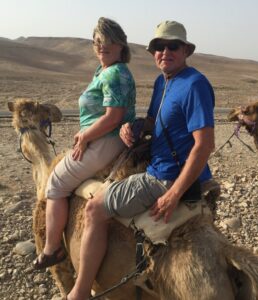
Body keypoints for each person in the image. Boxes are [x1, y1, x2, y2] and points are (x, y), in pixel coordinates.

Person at [67, 20, 215, 300]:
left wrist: (173, 193)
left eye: (173, 46)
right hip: (160, 166)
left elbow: (204, 145)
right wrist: (134, 127)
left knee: (94, 209)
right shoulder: (164, 81)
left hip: (163, 177)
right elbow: (152, 122)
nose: (165, 51)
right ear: (152, 52)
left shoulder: (194, 84)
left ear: (185, 50)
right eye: (159, 46)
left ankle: (81, 290)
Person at [33, 17, 136, 269]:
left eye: (109, 41)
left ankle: (52, 248)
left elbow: (114, 117)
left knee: (55, 183)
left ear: (121, 44)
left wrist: (84, 136)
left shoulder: (114, 73)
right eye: (98, 41)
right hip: (99, 137)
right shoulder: (103, 70)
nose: (102, 46)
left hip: (107, 140)